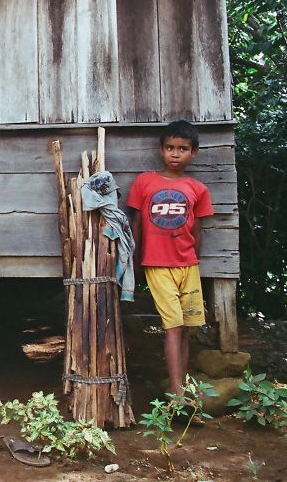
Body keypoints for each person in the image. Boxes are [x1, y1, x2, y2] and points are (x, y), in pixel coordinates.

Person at [126, 120, 214, 401]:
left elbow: (197, 230)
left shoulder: (198, 189)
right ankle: (177, 395)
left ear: (194, 152)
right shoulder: (144, 182)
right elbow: (137, 223)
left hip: (188, 265)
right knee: (173, 327)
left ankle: (180, 386)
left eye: (183, 149)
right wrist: (136, 259)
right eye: (170, 148)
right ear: (161, 149)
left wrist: (194, 260)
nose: (175, 154)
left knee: (186, 328)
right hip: (157, 263)